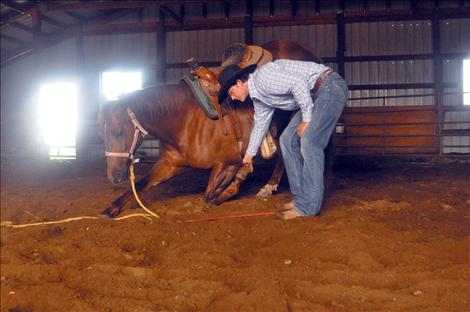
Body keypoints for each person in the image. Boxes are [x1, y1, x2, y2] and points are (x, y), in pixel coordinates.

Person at [217, 59, 348, 219]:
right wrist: (249, 156)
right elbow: (260, 125)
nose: (232, 98)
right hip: (314, 95)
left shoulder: (262, 79)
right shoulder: (258, 97)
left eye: (231, 92)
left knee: (310, 141)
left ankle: (308, 208)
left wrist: (306, 119)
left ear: (239, 83)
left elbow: (298, 83)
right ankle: (301, 199)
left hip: (329, 88)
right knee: (286, 140)